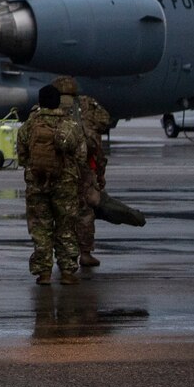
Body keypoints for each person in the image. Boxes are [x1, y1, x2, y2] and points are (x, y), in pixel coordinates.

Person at [16, 78, 89, 285]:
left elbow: (22, 157)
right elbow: (82, 156)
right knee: (66, 227)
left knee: (40, 229)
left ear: (39, 102)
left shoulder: (29, 126)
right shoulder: (70, 125)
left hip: (36, 183)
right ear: (58, 102)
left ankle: (44, 273)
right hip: (65, 183)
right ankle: (67, 272)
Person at [70, 83, 113, 270]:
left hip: (60, 171)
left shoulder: (48, 106)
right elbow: (105, 121)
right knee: (86, 212)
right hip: (86, 169)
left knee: (61, 214)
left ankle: (65, 257)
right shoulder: (87, 104)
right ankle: (85, 253)